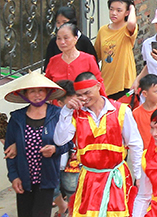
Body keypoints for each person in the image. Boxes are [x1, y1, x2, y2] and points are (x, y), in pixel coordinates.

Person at [54, 71, 142, 217]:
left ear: (98, 86)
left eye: (87, 92)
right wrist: (66, 111)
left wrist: (139, 177)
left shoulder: (121, 111)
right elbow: (60, 140)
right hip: (89, 178)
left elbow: (135, 144)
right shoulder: (75, 114)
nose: (84, 98)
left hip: (115, 176)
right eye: (79, 94)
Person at [3, 72, 64, 217]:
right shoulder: (17, 118)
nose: (37, 95)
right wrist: (13, 176)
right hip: (23, 178)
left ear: (47, 92)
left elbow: (69, 143)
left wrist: (55, 149)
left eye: (41, 90)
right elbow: (9, 151)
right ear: (25, 94)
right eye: (32, 91)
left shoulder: (58, 114)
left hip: (47, 177)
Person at [95, 0, 138, 100]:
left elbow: (132, 22)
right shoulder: (103, 30)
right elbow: (96, 56)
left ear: (126, 13)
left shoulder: (127, 29)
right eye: (111, 9)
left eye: (119, 10)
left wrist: (132, 7)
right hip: (106, 83)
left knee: (123, 113)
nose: (114, 13)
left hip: (125, 85)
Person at [45, 22, 104, 93]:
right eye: (59, 38)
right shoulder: (53, 61)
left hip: (83, 102)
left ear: (75, 39)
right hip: (58, 103)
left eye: (66, 38)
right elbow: (47, 85)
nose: (62, 42)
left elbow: (98, 82)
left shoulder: (88, 59)